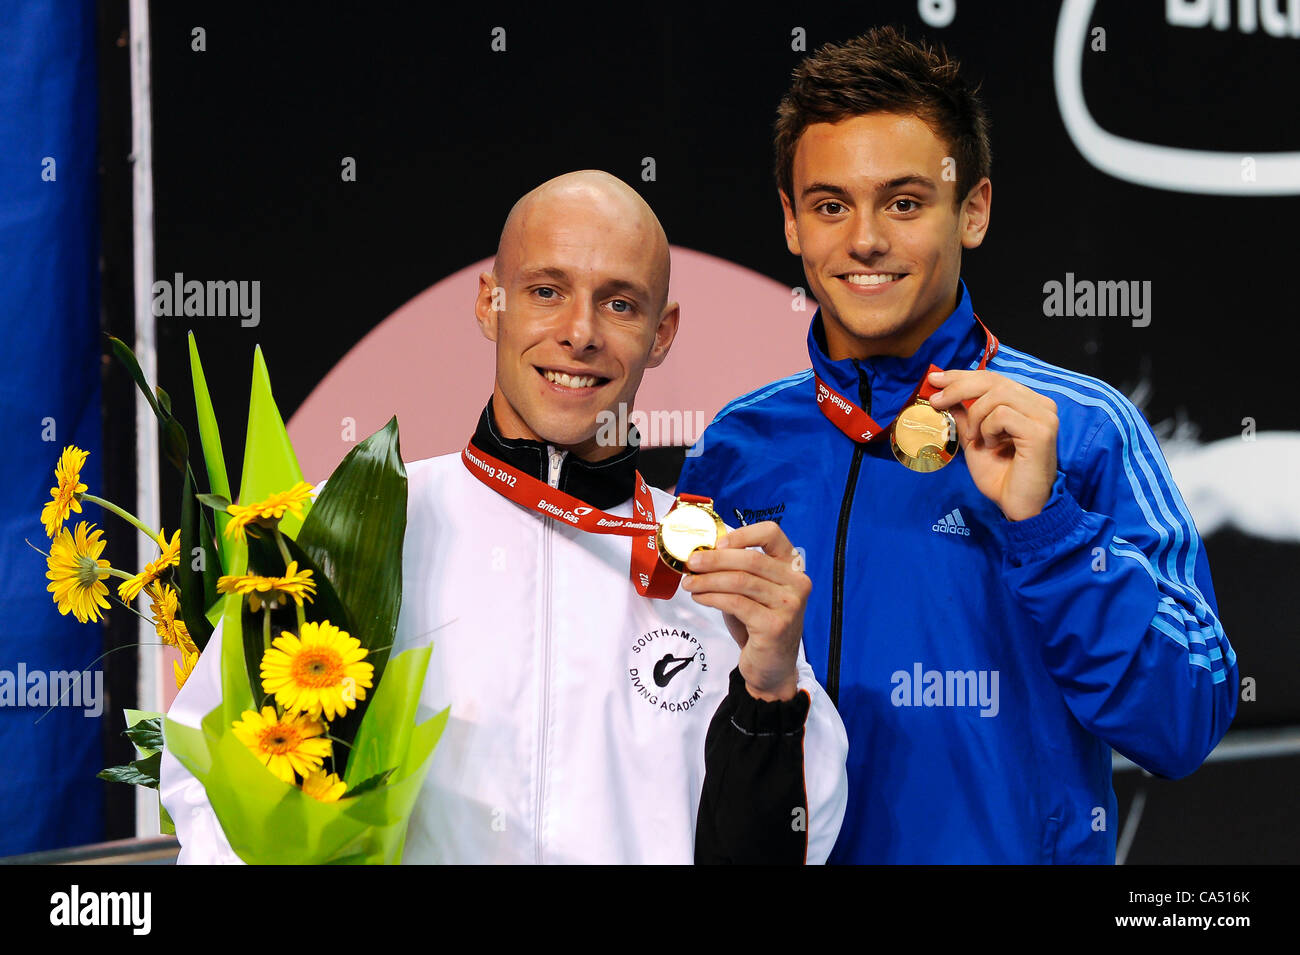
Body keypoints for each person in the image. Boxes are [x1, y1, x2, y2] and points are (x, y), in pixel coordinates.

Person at [160, 170, 848, 864]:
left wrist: (769, 692)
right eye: (547, 291)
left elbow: (795, 841)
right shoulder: (355, 532)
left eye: (619, 303)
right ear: (491, 303)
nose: (579, 333)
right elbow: (209, 781)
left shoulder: (723, 579)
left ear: (662, 331)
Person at [675, 28, 1237, 863]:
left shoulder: (1083, 425)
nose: (864, 239)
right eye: (831, 205)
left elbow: (1185, 719)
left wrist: (1046, 528)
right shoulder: (737, 445)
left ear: (971, 209)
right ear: (792, 223)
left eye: (904, 202)